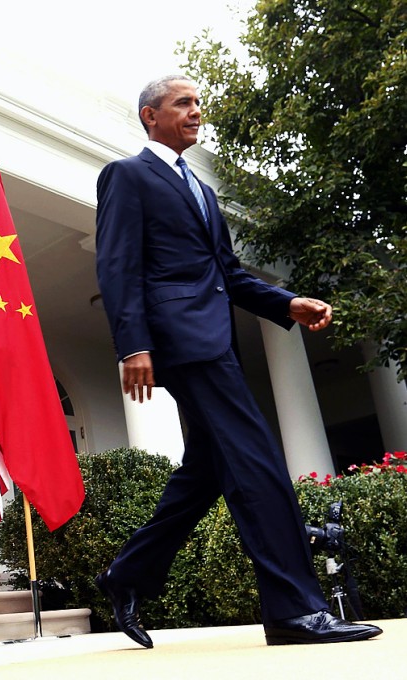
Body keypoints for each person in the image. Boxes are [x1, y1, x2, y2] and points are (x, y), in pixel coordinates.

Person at [93, 75, 382, 648]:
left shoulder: (199, 187)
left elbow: (226, 272)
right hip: (179, 340)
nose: (196, 112)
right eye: (183, 104)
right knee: (258, 465)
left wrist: (287, 302)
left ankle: (124, 575)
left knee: (207, 472)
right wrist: (133, 345)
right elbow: (117, 264)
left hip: (214, 337)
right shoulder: (127, 175)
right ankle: (295, 610)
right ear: (150, 116)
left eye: (199, 103)